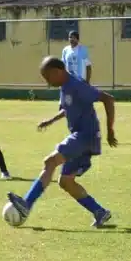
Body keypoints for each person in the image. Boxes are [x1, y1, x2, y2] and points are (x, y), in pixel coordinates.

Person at [7, 56, 118, 228]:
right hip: (82, 138)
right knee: (65, 181)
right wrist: (50, 121)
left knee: (50, 162)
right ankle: (100, 212)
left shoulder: (76, 85)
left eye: (48, 78)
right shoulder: (65, 86)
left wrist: (110, 130)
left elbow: (108, 99)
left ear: (57, 72)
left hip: (85, 136)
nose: (48, 83)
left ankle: (26, 204)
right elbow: (68, 108)